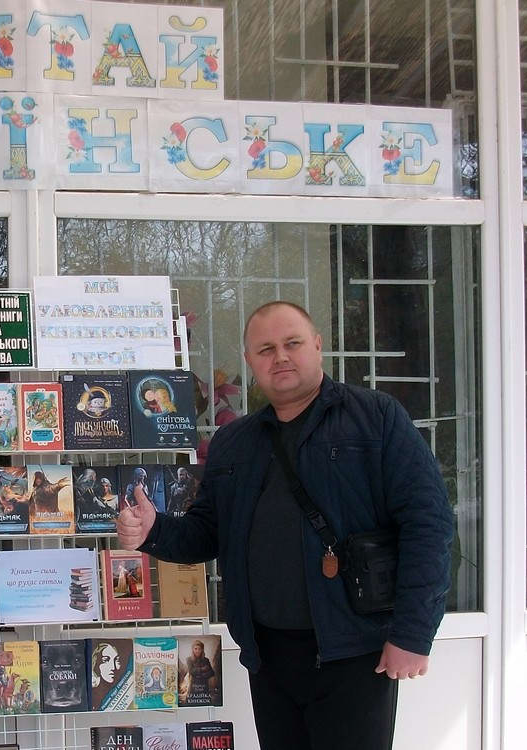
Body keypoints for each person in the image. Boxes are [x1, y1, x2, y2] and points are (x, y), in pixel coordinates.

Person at [117, 301, 454, 750]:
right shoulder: (234, 442)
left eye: (292, 343)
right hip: (269, 657)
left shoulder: (375, 419)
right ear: (250, 361)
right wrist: (153, 530)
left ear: (316, 345)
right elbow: (208, 532)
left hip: (354, 653)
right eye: (265, 349)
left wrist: (413, 634)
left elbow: (428, 525)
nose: (280, 357)